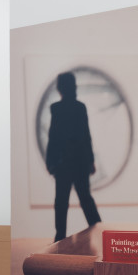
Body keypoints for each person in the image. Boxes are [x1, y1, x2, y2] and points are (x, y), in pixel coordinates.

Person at [45, 71, 102, 241]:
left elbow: (53, 138)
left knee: (62, 202)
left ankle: (60, 237)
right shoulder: (79, 108)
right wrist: (90, 161)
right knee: (84, 199)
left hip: (64, 163)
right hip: (78, 163)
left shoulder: (57, 109)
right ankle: (99, 230)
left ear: (60, 88)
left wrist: (51, 162)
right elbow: (86, 136)